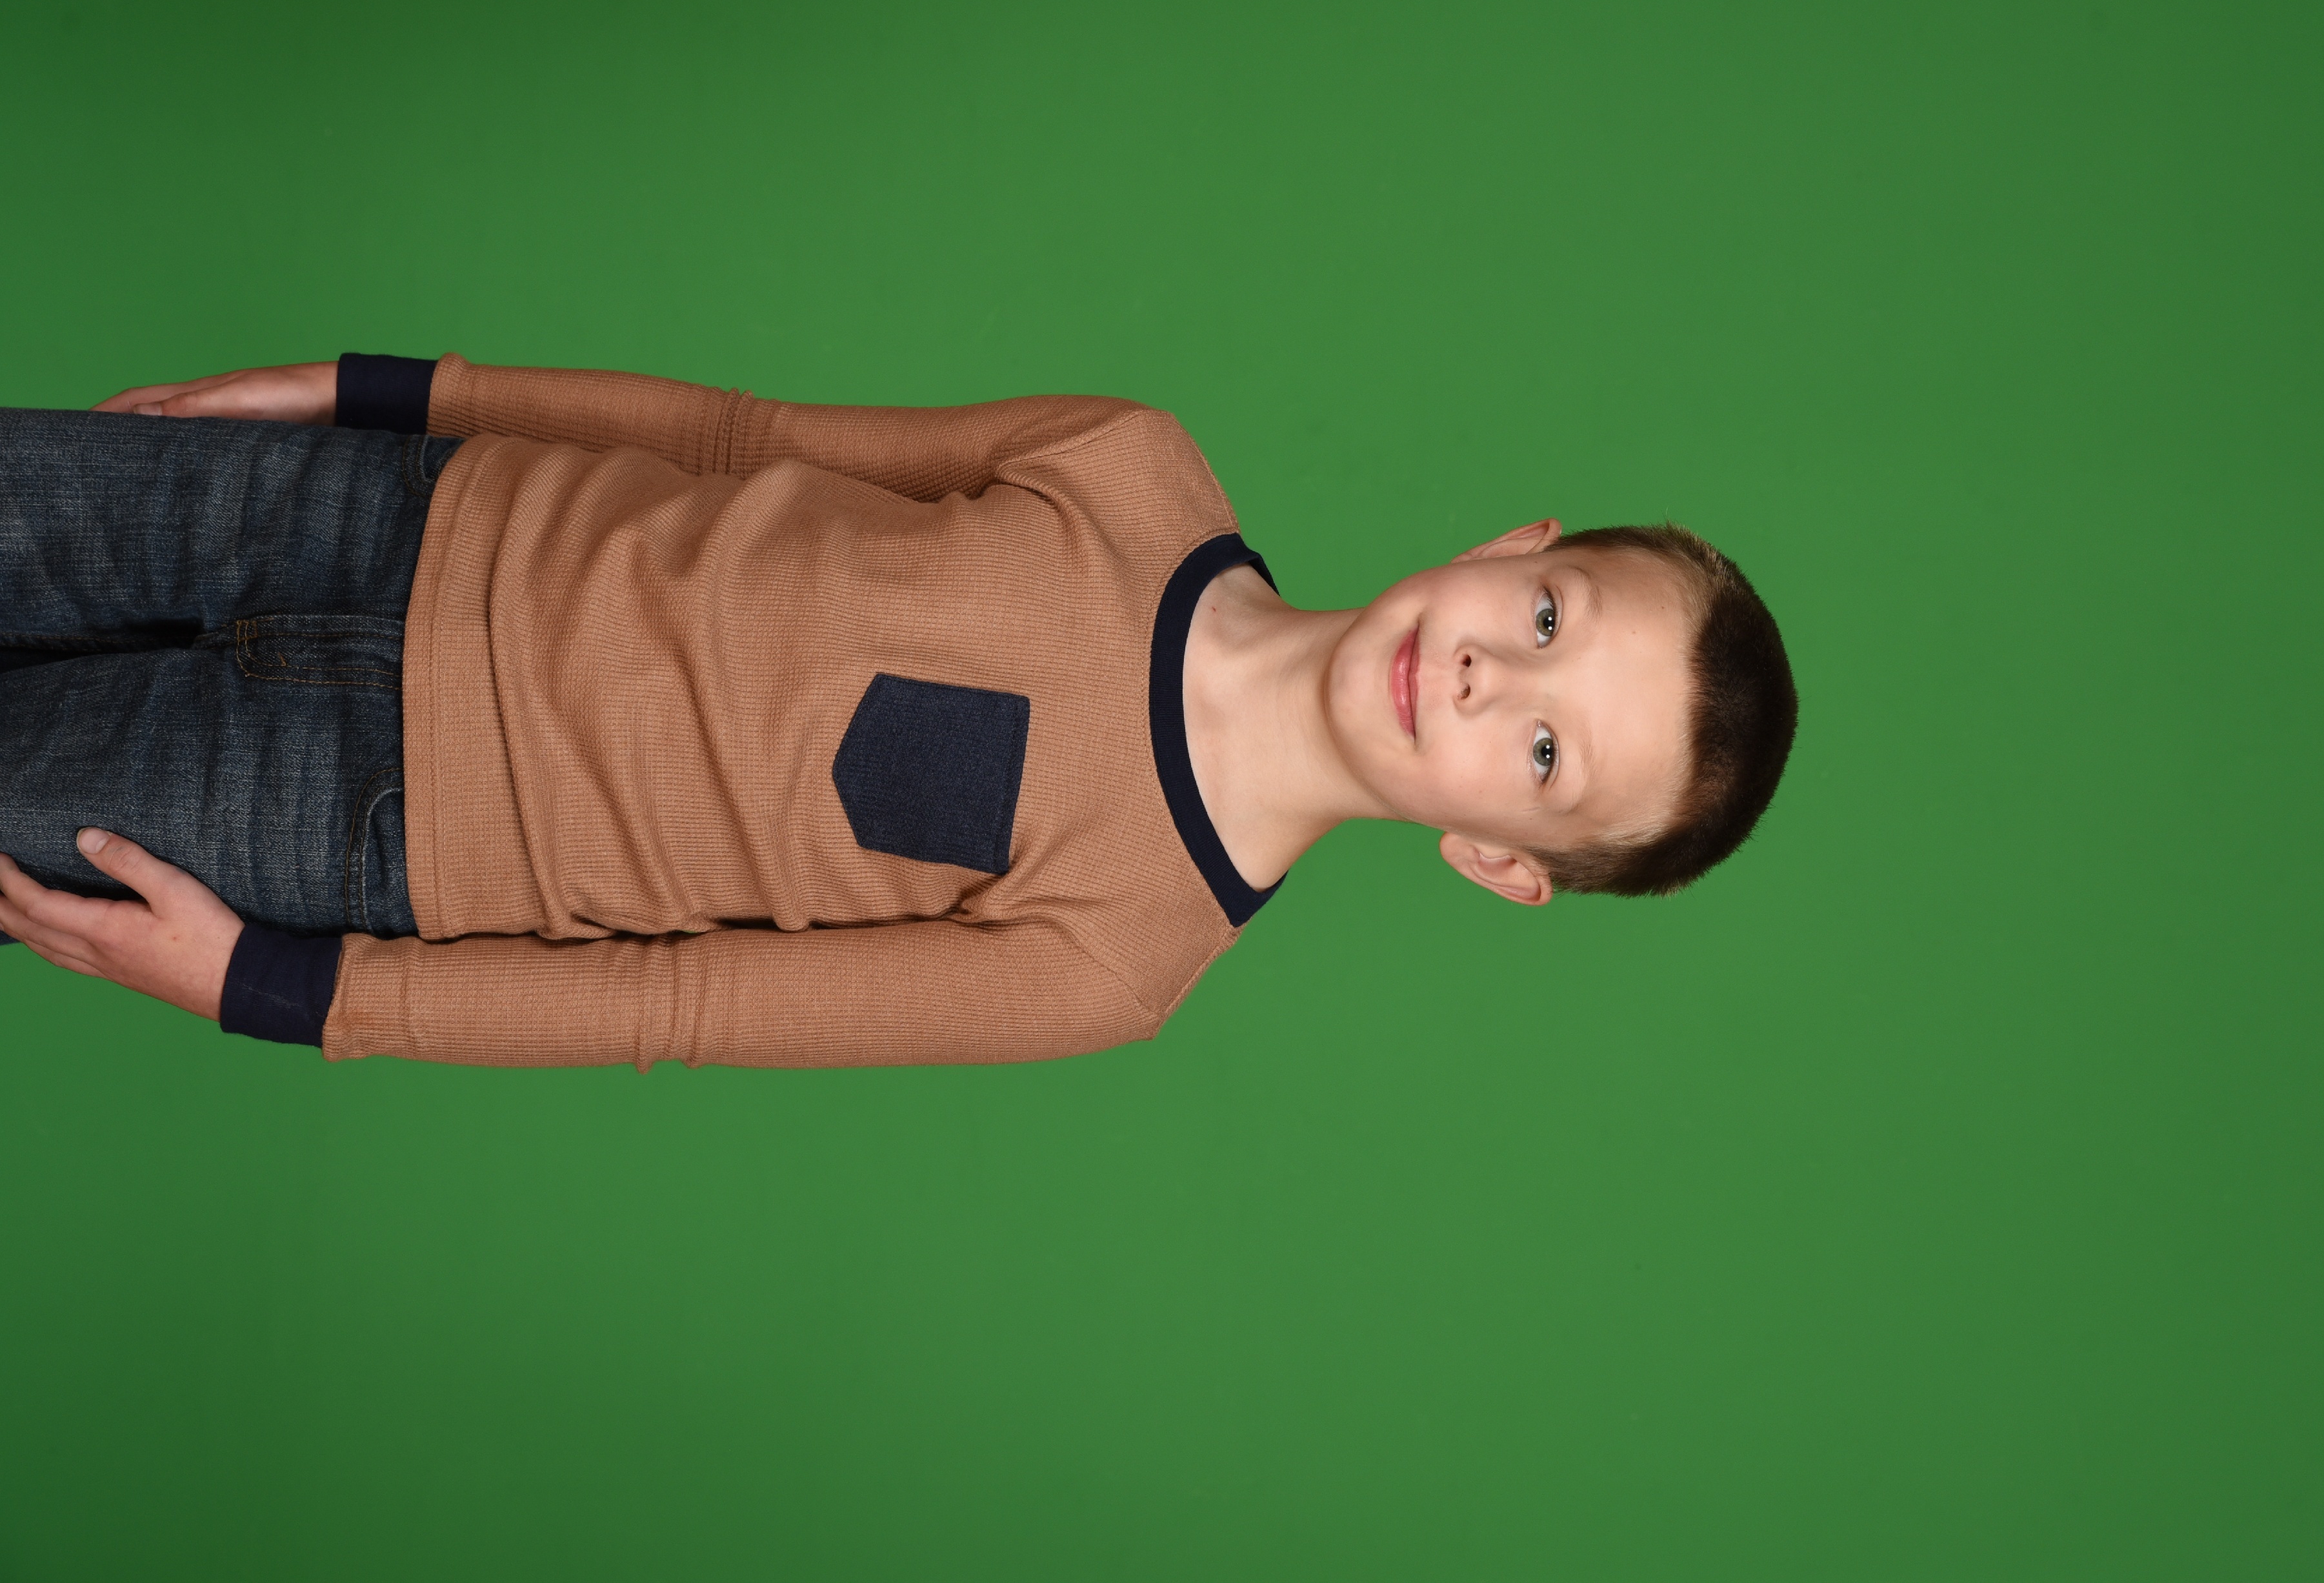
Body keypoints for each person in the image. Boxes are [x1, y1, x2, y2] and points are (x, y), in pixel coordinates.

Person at [0, 354, 1798, 1068]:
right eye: (1547, 620)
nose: (1491, 676)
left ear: (1496, 854)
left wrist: (285, 990)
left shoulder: (1114, 958)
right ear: (1510, 548)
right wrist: (389, 391)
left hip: (366, 811)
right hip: (386, 509)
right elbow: (739, 437)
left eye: (1543, 751)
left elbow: (687, 1004)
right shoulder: (1133, 465)